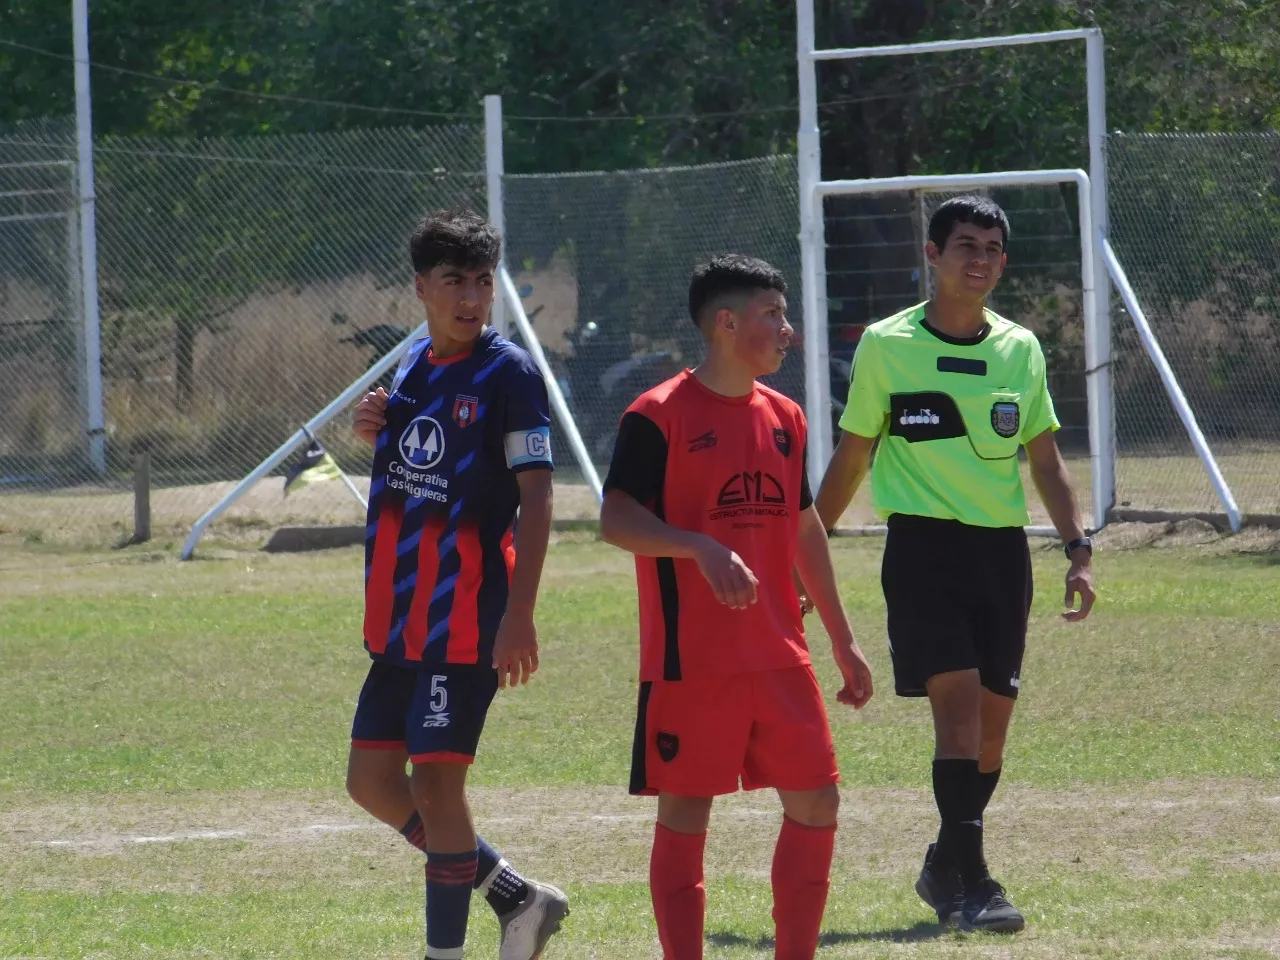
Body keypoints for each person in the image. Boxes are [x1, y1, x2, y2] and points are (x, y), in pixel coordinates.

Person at [814, 196, 1097, 933]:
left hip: (1001, 556)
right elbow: (852, 458)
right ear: (932, 255)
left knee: (993, 734)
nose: (981, 259)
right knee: (961, 715)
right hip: (924, 550)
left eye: (994, 248)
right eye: (966, 244)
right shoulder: (886, 344)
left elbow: (1046, 459)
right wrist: (802, 555)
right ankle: (973, 887)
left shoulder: (1020, 349)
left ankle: (945, 861)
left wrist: (1078, 548)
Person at [600, 254, 875, 960]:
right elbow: (616, 520)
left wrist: (842, 638)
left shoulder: (785, 417)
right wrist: (697, 546)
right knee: (688, 812)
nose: (787, 331)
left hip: (781, 653)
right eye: (773, 316)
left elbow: (803, 524)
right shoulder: (656, 415)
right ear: (726, 324)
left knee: (818, 802)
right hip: (693, 662)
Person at [347, 208, 569, 960]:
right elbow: (413, 458)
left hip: (467, 620)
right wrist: (371, 426)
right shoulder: (410, 364)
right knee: (373, 782)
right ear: (422, 288)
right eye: (455, 281)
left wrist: (521, 614)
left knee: (439, 790)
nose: (472, 296)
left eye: (482, 280)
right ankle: (517, 898)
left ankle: (444, 955)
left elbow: (537, 495)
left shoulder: (508, 372)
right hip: (397, 621)